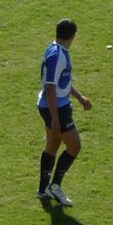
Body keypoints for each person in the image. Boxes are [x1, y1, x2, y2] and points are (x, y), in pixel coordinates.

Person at [36, 19, 92, 207]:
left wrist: (80, 97)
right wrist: (56, 119)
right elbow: (51, 88)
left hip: (51, 105)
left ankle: (43, 189)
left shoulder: (54, 49)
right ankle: (55, 186)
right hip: (56, 108)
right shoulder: (58, 56)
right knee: (75, 146)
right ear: (73, 36)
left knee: (52, 145)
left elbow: (62, 83)